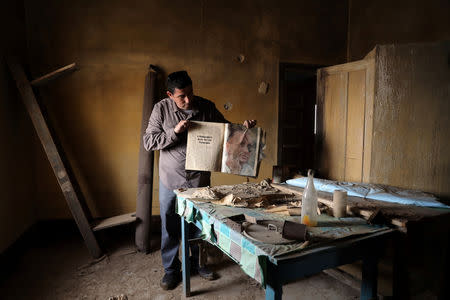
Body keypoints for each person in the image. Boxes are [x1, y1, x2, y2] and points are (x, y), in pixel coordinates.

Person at [143, 71, 256, 290]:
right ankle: (171, 270)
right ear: (170, 95)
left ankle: (198, 264)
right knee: (170, 227)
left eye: (191, 93)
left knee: (200, 224)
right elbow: (149, 142)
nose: (188, 100)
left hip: (200, 180)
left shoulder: (206, 106)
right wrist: (174, 132)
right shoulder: (161, 109)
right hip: (171, 180)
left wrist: (242, 129)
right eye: (181, 96)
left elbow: (226, 133)